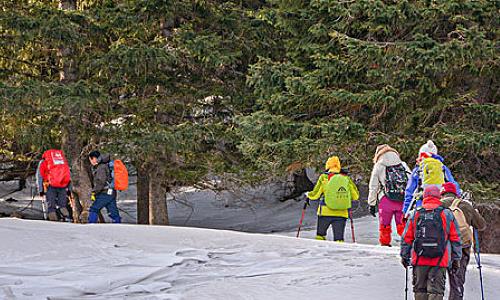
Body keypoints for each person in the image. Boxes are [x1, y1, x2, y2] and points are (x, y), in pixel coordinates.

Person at [401, 185, 462, 300]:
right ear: (439, 196)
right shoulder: (447, 214)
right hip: (440, 260)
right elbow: (455, 238)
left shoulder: (415, 214)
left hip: (419, 259)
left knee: (420, 291)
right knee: (436, 292)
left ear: (424, 196)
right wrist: (456, 259)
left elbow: (407, 238)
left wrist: (404, 255)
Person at [440, 182, 486, 300]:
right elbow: (481, 225)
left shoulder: (437, 205)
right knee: (457, 282)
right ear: (456, 193)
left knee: (436, 284)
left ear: (442, 193)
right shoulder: (465, 205)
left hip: (440, 248)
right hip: (461, 247)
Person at [306, 156, 359, 242]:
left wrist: (308, 195)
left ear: (327, 166)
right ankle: (339, 254)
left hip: (325, 212)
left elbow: (315, 195)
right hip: (341, 213)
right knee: (339, 240)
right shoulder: (345, 178)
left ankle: (319, 254)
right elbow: (355, 196)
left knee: (320, 236)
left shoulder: (324, 177)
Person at [368, 144, 411, 246]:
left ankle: (385, 244)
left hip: (385, 199)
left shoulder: (378, 165)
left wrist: (372, 204)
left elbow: (373, 186)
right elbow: (410, 182)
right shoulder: (403, 165)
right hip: (401, 199)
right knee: (402, 224)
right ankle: (409, 243)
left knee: (385, 225)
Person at [403, 140, 460, 216]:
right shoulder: (442, 167)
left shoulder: (418, 168)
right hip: (440, 201)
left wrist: (405, 209)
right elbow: (453, 184)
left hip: (422, 203)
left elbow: (409, 190)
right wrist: (458, 197)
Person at [36, 149, 71, 221]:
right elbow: (68, 174)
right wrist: (69, 188)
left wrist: (40, 190)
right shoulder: (62, 161)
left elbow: (40, 176)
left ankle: (53, 222)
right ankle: (66, 219)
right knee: (62, 205)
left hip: (50, 185)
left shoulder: (43, 162)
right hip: (63, 185)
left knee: (51, 207)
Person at [88, 151, 121, 223]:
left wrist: (94, 191)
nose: (90, 162)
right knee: (113, 212)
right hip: (111, 192)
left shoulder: (101, 167)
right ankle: (118, 225)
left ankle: (90, 226)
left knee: (94, 208)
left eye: (90, 160)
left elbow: (101, 181)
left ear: (94, 158)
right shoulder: (105, 165)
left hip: (105, 192)